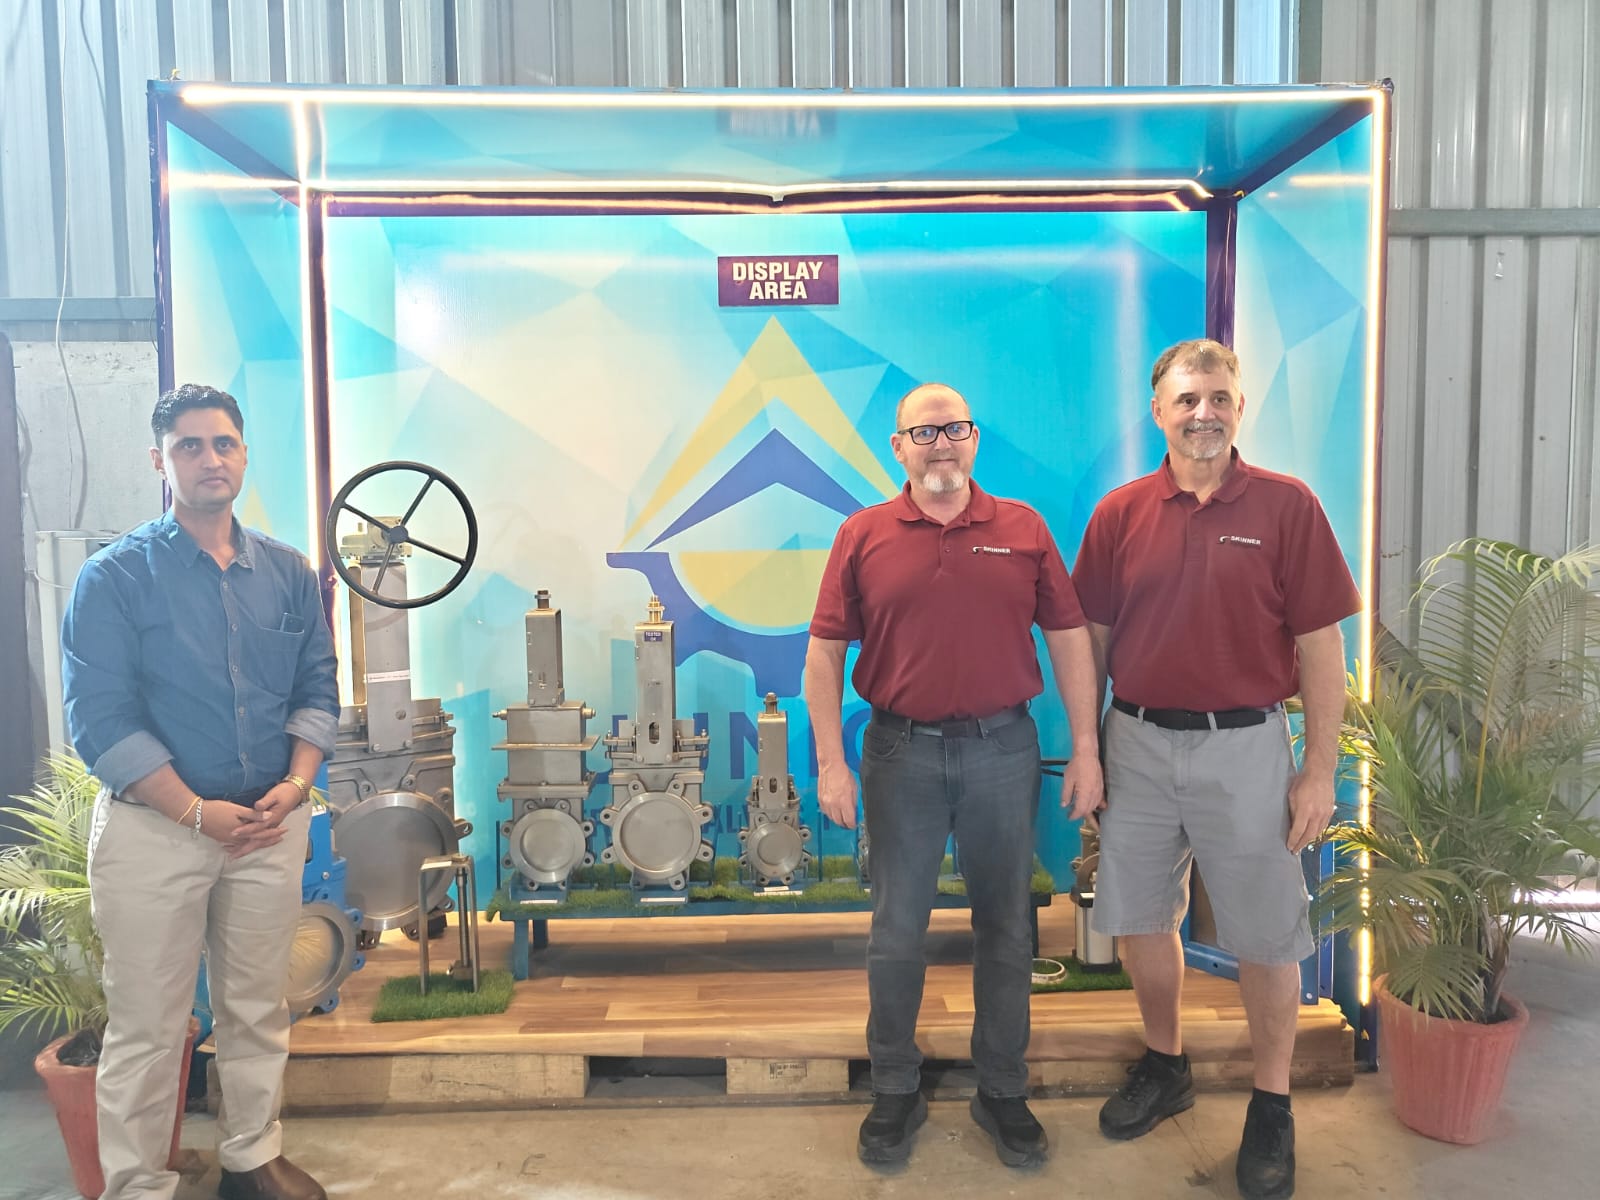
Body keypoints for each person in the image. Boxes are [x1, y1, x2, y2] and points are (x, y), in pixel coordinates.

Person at [1072, 339, 1360, 1200]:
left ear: (1240, 408)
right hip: (1136, 742)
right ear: (1158, 411)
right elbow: (1091, 643)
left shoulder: (1288, 506)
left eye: (1220, 397)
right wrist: (1088, 749)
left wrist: (1318, 771)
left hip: (1247, 748)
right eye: (1188, 399)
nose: (1205, 413)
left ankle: (1271, 1106)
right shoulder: (1120, 514)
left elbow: (1322, 648)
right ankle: (1166, 1065)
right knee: (1139, 918)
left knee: (1267, 933)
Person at [805, 382, 1104, 1168]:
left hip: (1002, 751)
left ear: (975, 440)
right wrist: (831, 763)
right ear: (898, 447)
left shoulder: (1023, 528)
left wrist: (1086, 746)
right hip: (899, 755)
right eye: (924, 432)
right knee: (896, 929)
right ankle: (894, 1087)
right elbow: (825, 653)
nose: (942, 444)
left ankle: (1002, 1088)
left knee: (1006, 926)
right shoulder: (863, 534)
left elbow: (1069, 634)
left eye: (955, 429)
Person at [61, 383, 339, 1200]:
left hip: (266, 827)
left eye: (223, 443)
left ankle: (251, 1158)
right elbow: (101, 719)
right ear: (161, 460)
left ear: (244, 454)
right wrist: (192, 811)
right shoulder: (114, 579)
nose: (209, 459)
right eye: (189, 445)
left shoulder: (287, 573)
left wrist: (297, 785)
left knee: (258, 1007)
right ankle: (138, 1185)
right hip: (156, 833)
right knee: (148, 1023)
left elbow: (318, 688)